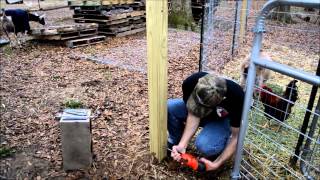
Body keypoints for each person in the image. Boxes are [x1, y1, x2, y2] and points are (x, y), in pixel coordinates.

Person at [168, 71, 244, 171]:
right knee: (169, 107)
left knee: (205, 145)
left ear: (222, 98)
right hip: (200, 110)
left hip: (221, 119)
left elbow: (236, 137)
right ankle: (175, 142)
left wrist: (217, 163)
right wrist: (182, 144)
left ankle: (217, 152)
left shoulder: (237, 97)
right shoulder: (190, 82)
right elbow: (193, 114)